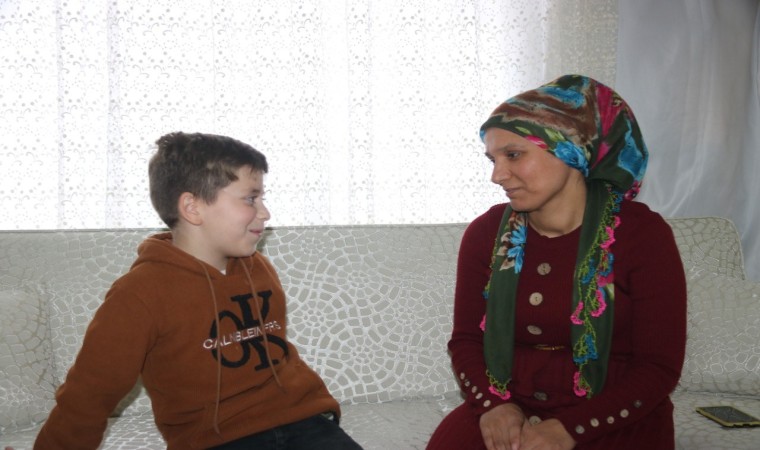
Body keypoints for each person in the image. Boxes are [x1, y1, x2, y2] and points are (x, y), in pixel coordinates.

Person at [33, 132, 363, 450]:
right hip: (216, 440)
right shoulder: (139, 294)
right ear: (192, 207)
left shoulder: (258, 268)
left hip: (304, 422)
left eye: (262, 198)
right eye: (251, 198)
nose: (265, 212)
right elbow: (89, 393)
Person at [426, 75, 687, 450]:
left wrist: (572, 429)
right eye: (493, 159)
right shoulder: (486, 233)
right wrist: (492, 406)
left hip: (614, 415)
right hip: (507, 404)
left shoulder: (642, 235)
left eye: (514, 155)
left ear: (569, 149)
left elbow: (658, 367)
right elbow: (466, 340)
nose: (497, 175)